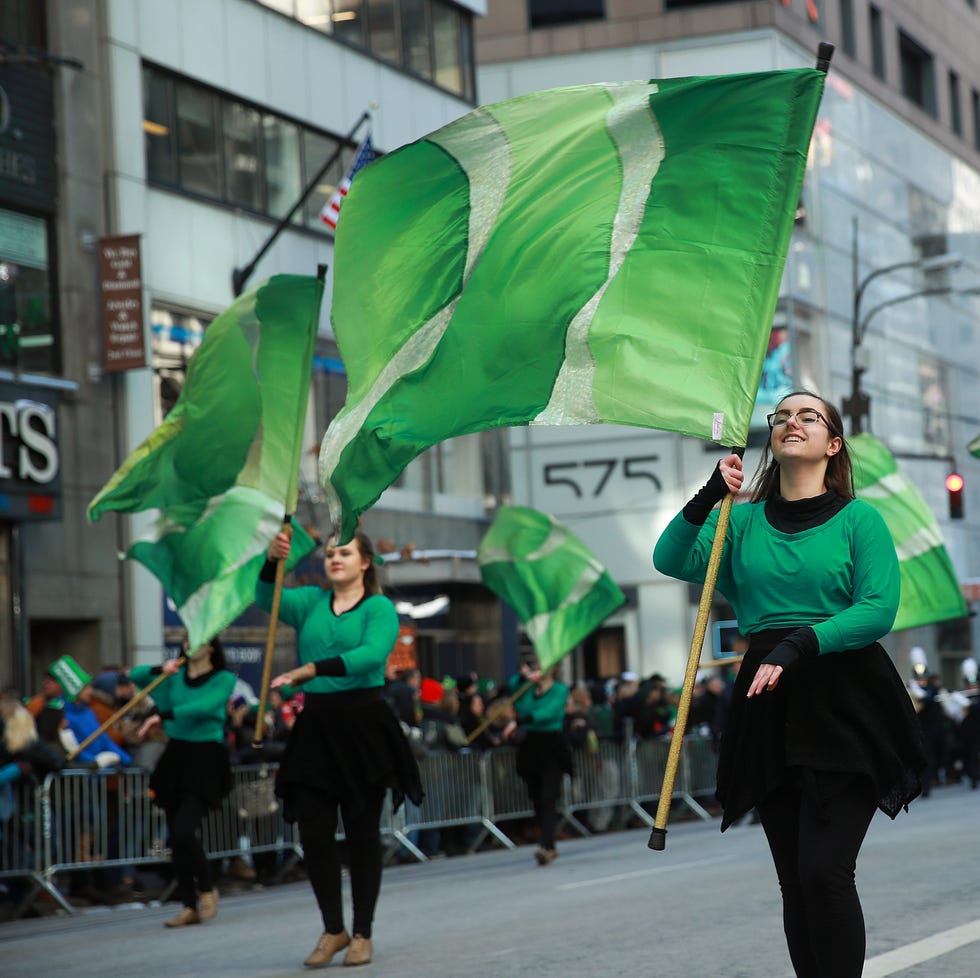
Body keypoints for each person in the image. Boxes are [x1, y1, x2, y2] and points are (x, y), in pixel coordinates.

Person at [653, 390, 926, 978]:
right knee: (795, 881)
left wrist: (802, 642)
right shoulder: (741, 520)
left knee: (824, 871)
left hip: (844, 694)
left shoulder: (861, 519)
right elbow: (669, 559)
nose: (791, 421)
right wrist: (709, 497)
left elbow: (878, 608)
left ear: (833, 443)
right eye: (781, 416)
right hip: (767, 698)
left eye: (808, 415)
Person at [260, 528, 423, 969]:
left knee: (361, 833)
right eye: (330, 553)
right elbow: (265, 597)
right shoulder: (310, 603)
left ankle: (363, 932)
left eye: (345, 552)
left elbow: (372, 656)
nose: (335, 558)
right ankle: (334, 929)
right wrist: (277, 559)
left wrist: (314, 667)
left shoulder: (379, 608)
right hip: (317, 726)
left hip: (363, 725)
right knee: (313, 831)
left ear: (365, 562)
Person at [129, 637, 235, 928]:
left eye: (198, 638)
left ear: (211, 646)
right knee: (176, 838)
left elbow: (206, 707)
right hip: (177, 756)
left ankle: (206, 887)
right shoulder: (175, 679)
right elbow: (135, 676)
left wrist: (163, 715)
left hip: (206, 757)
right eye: (187, 639)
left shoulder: (224, 678)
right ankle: (188, 904)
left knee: (183, 831)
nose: (190, 643)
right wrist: (160, 670)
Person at [505, 660, 572, 866]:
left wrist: (528, 718)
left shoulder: (559, 689)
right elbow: (515, 693)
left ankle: (547, 845)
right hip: (531, 745)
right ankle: (545, 839)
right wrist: (523, 678)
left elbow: (550, 712)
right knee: (536, 797)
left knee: (547, 797)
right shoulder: (529, 688)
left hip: (551, 744)